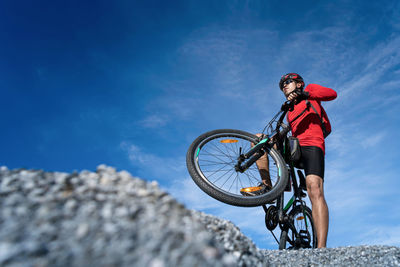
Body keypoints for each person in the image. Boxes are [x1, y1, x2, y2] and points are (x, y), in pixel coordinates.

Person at [243, 73, 337, 248]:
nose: (284, 86)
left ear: (299, 84)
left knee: (314, 190)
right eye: (282, 86)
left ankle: (322, 249)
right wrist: (272, 140)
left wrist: (306, 95)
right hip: (295, 148)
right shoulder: (289, 110)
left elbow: (332, 94)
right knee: (259, 139)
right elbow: (287, 133)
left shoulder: (310, 90)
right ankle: (267, 187)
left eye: (287, 82)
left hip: (313, 146)